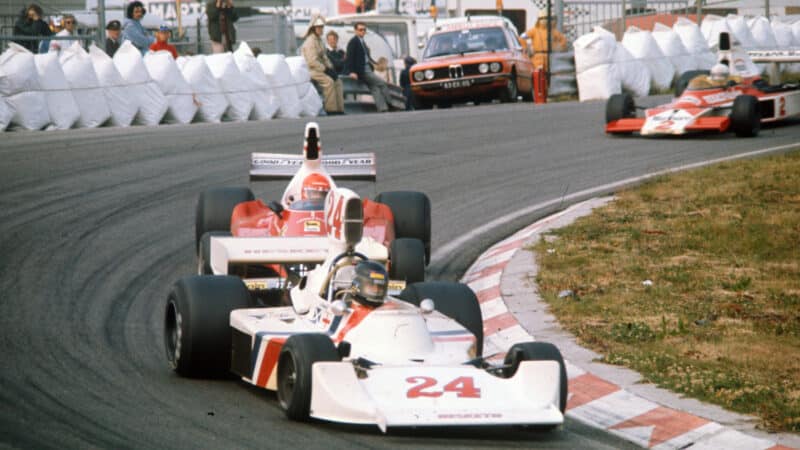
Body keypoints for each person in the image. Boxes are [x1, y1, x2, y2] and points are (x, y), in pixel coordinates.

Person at [344, 22, 393, 113]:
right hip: (363, 70)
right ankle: (390, 103)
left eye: (364, 30)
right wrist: (352, 72)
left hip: (368, 68)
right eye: (360, 30)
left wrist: (376, 64)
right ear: (355, 31)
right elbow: (349, 58)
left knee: (374, 87)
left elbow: (367, 57)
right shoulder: (353, 42)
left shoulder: (362, 42)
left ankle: (383, 108)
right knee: (382, 83)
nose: (363, 31)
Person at [302, 14, 345, 115]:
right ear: (314, 28)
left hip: (320, 69)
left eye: (322, 27)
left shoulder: (319, 40)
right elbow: (312, 61)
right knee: (328, 82)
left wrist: (330, 68)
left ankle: (340, 109)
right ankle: (331, 109)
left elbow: (324, 57)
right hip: (312, 70)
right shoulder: (310, 42)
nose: (321, 29)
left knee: (337, 80)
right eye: (319, 27)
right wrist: (325, 69)